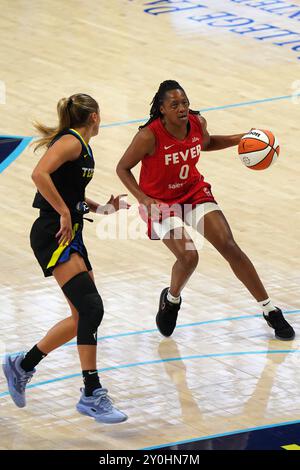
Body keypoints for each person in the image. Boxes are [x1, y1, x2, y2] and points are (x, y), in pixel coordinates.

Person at [116, 80, 295, 341]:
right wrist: (143, 199)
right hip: (160, 202)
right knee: (189, 257)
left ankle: (270, 310)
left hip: (193, 192)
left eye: (185, 103)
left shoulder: (197, 122)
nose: (182, 108)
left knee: (229, 245)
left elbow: (206, 142)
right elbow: (122, 168)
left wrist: (240, 139)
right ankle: (171, 299)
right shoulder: (149, 135)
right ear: (162, 109)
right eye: (174, 104)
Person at [3, 93, 129, 424]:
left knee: (82, 317)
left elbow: (70, 194)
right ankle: (91, 392)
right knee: (91, 308)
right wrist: (61, 211)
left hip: (69, 233)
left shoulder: (80, 146)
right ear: (95, 117)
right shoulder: (72, 143)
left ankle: (22, 364)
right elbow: (39, 174)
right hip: (53, 233)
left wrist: (103, 208)